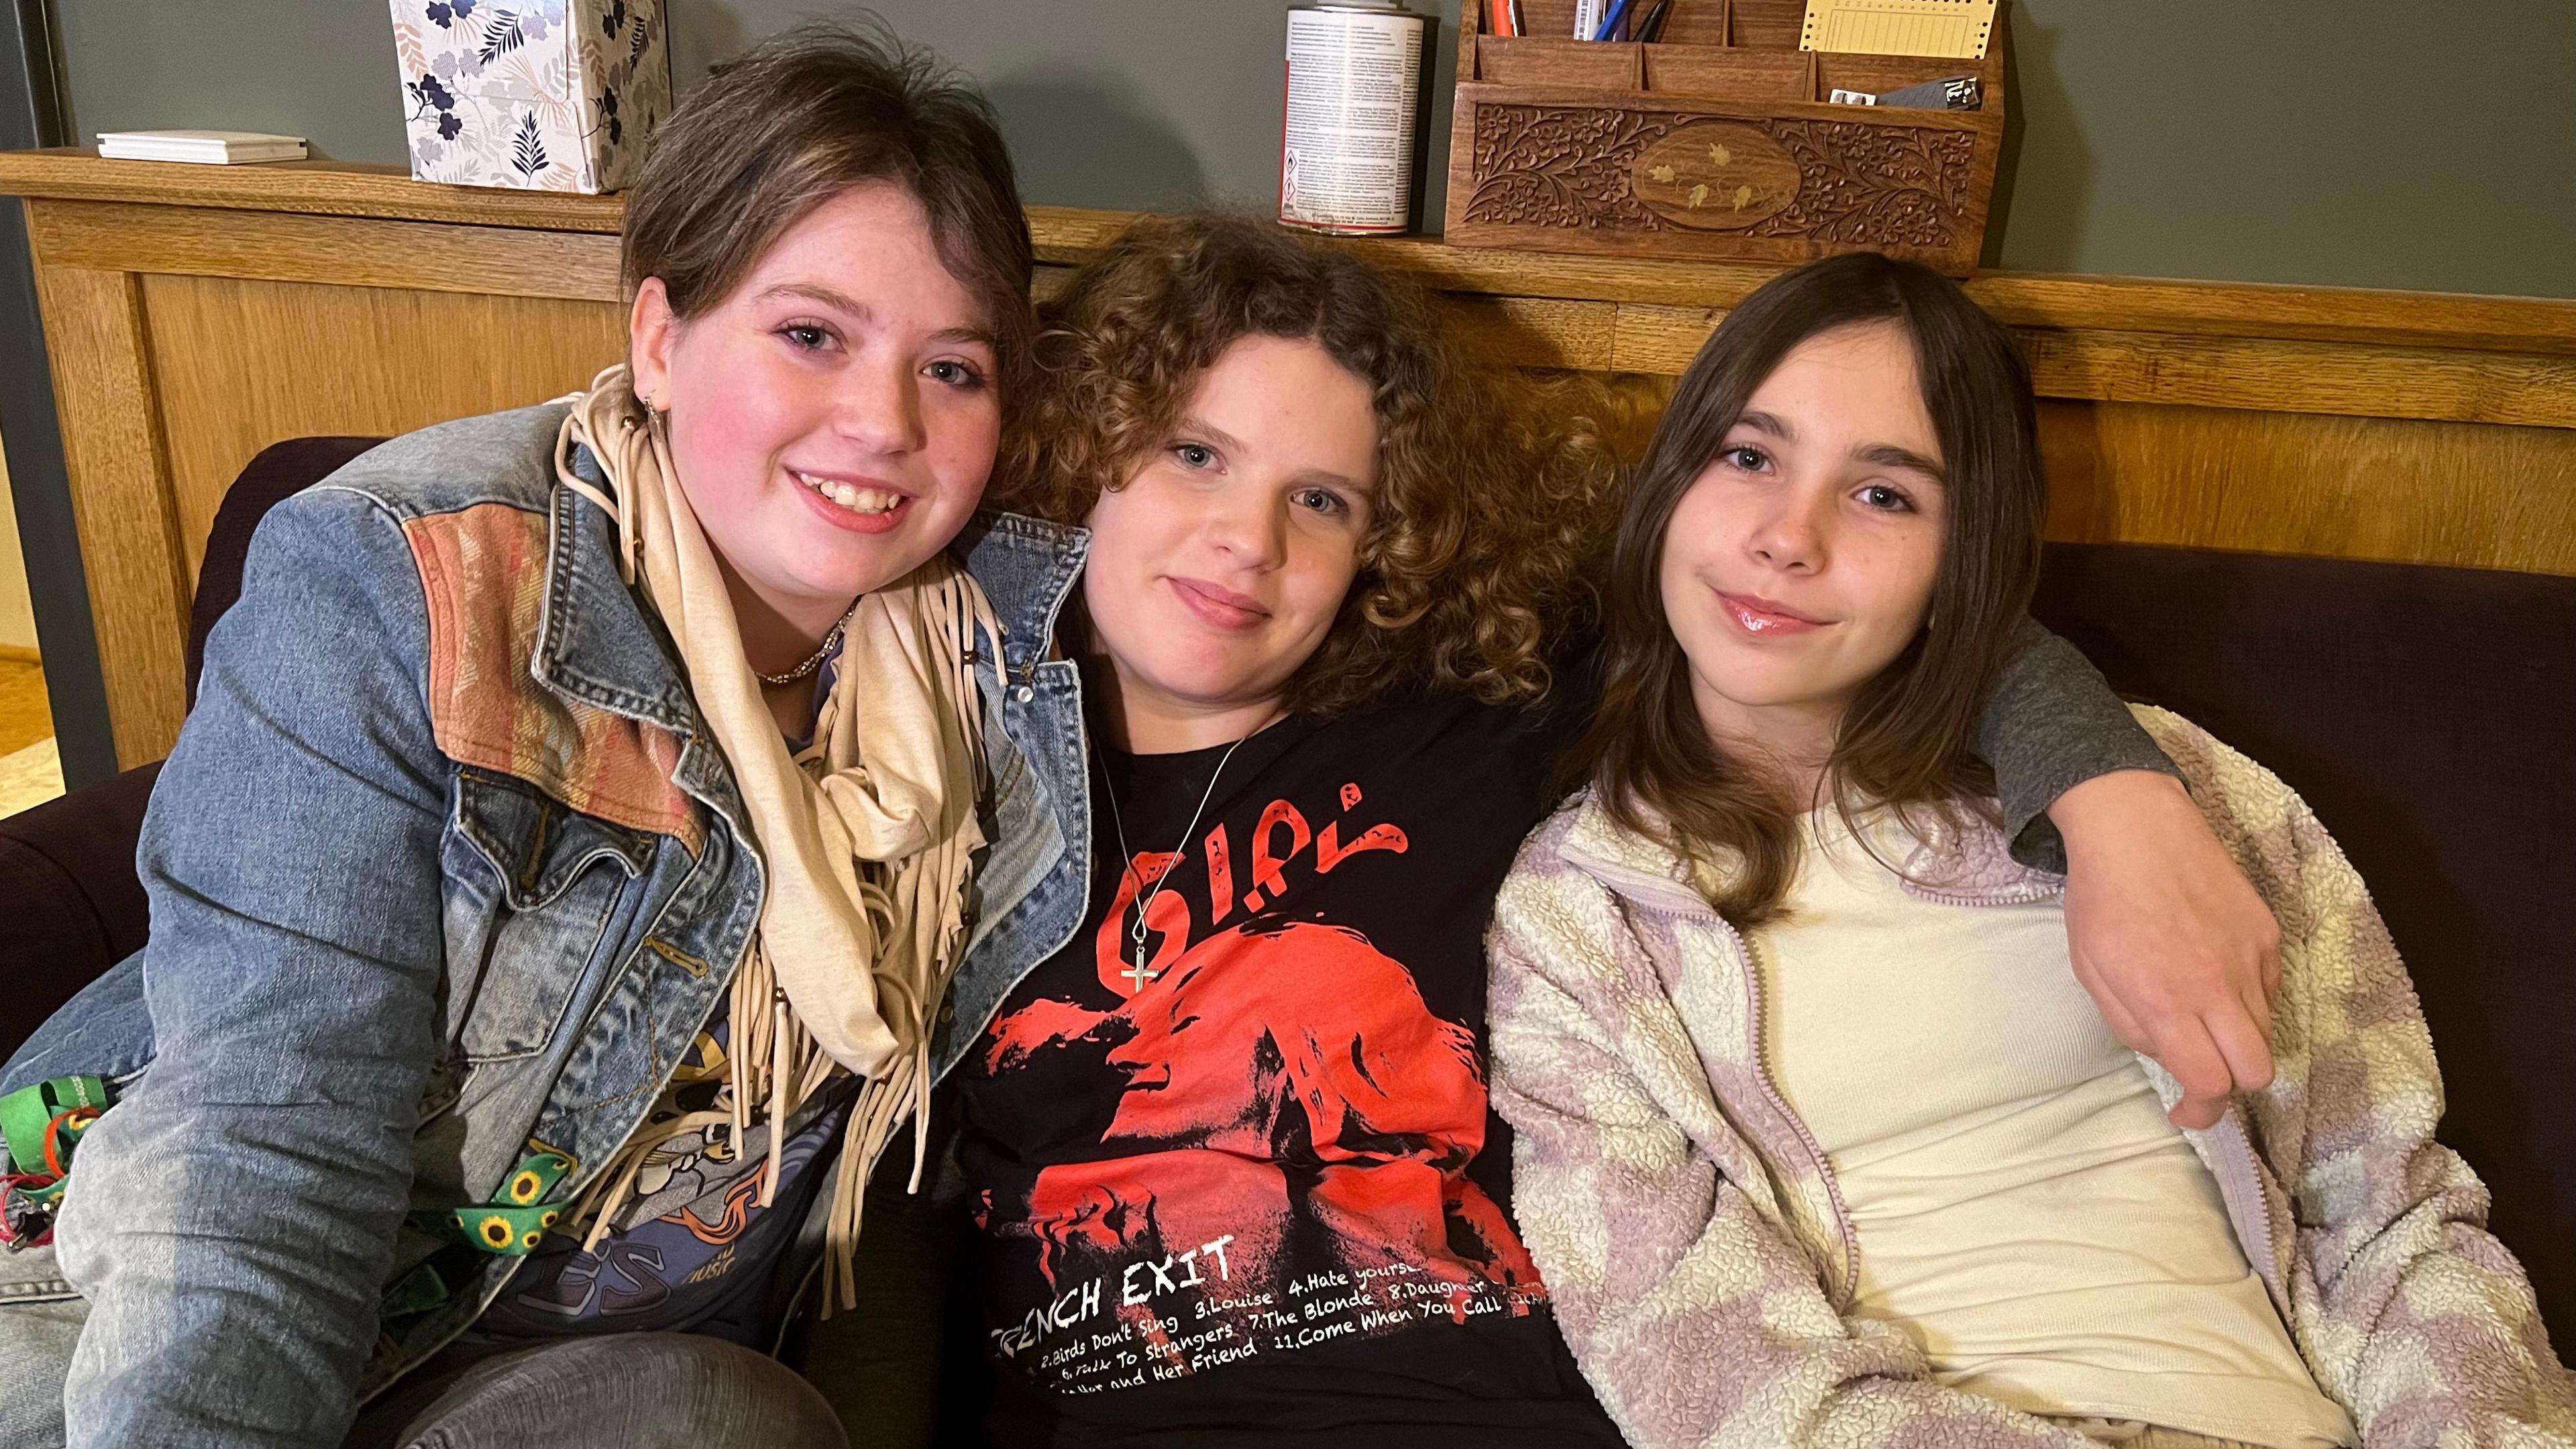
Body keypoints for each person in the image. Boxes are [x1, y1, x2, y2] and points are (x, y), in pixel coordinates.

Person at [928, 214, 2295, 1448]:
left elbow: (1864, 613)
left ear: (1384, 540)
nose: (1246, 540)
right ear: (1090, 450)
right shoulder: (929, 754)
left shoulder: (1482, 701)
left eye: (1323, 500)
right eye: (1195, 455)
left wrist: (2116, 801)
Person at [0, 27, 1079, 1449]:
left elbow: (890, 1220)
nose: (883, 421)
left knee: (720, 1417)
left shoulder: (985, 675)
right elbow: (258, 1152)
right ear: (660, 339)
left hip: (580, 1380)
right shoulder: (397, 579)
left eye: (953, 369)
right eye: (812, 334)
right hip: (145, 1320)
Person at [1485, 252, 2576, 1448]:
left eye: (1885, 494)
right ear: (1671, 484)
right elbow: (1695, 1361)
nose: (1787, 539)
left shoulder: (2172, 790)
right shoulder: (1581, 916)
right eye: (1749, 456)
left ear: (1966, 560)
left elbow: (2392, 1217)